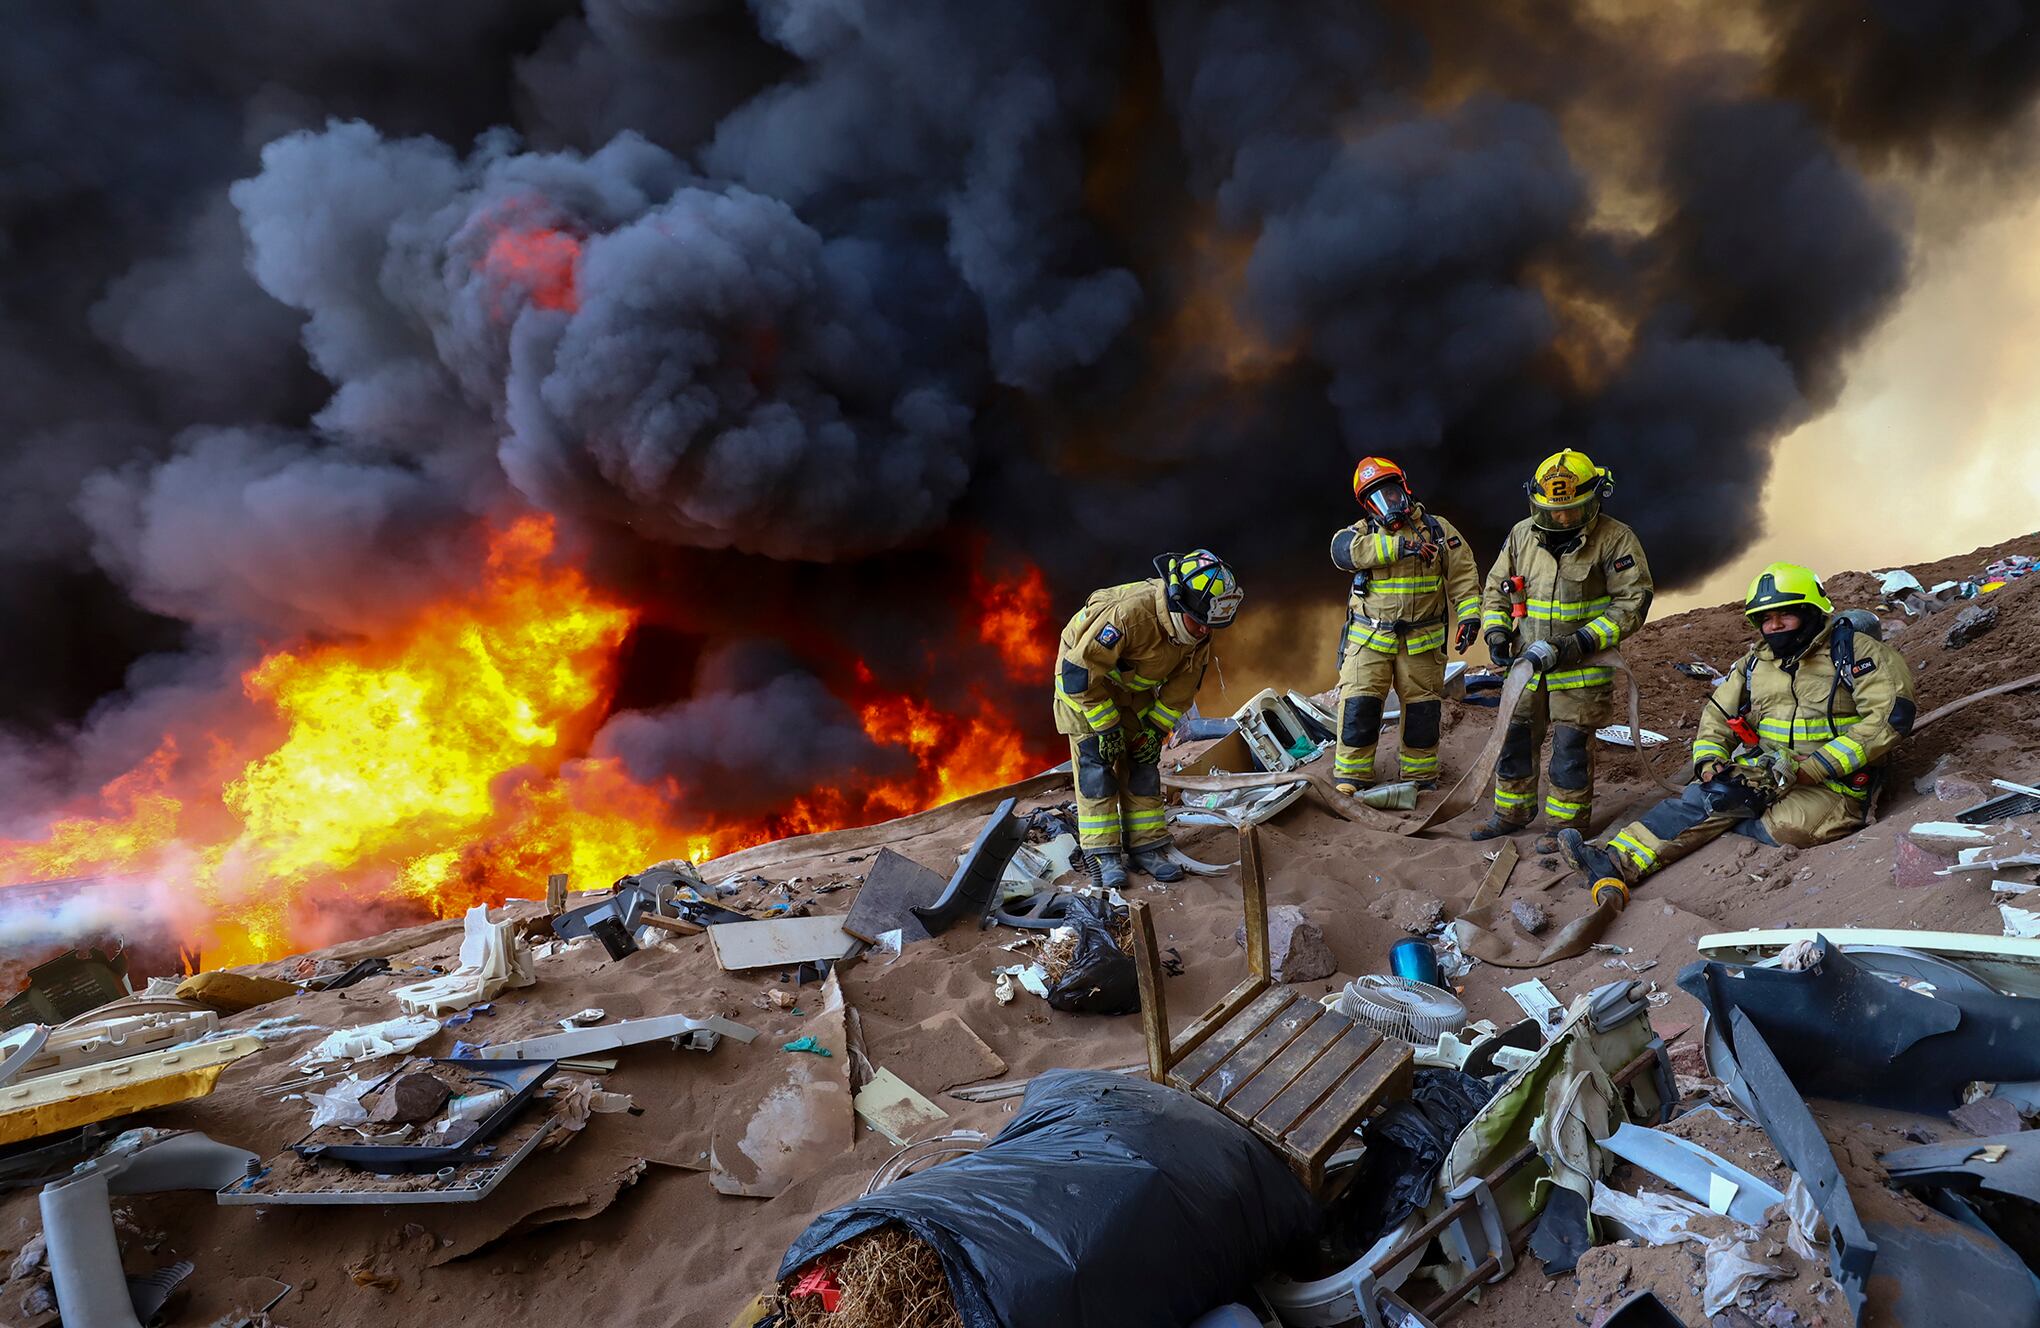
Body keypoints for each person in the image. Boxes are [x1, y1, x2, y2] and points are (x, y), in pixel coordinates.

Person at [1559, 562, 1916, 892]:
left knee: (1787, 830)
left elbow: (1890, 716)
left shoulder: (1858, 653)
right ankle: (1613, 861)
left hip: (1833, 782)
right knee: (1709, 795)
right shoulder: (1754, 663)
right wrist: (1710, 761)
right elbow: (1716, 716)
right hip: (1768, 771)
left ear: (1810, 612)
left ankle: (1726, 821)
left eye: (1785, 615)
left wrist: (1815, 768)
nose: (1773, 626)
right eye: (1765, 619)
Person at [1471, 450, 1653, 840]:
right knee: (1515, 741)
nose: (1563, 518)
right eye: (1554, 511)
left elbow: (1632, 603)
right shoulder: (1521, 536)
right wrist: (1497, 632)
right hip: (1526, 667)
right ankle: (1511, 815)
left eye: (1573, 510)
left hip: (1581, 669)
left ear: (1596, 498)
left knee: (1570, 752)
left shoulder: (1615, 539)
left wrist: (1580, 642)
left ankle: (1565, 827)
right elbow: (1495, 590)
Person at [1053, 550, 1244, 889]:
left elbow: (1181, 690)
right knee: (1097, 766)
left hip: (1128, 689)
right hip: (1085, 688)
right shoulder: (1130, 615)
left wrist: (1155, 731)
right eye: (1198, 621)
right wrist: (1107, 726)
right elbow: (1078, 674)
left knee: (1142, 761)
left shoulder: (1199, 628)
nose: (1203, 629)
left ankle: (1148, 845)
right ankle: (1103, 854)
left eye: (1208, 624)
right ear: (1178, 603)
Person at [1328, 457, 1482, 792]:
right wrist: (1401, 546)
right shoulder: (1362, 535)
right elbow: (1342, 552)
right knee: (1360, 707)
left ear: (1405, 489)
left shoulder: (1439, 531)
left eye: (1392, 493)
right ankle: (1352, 777)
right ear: (1367, 505)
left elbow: (1464, 578)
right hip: (1369, 640)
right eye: (1376, 498)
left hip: (1421, 642)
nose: (1388, 503)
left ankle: (1419, 777)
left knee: (1422, 712)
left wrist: (1470, 616)